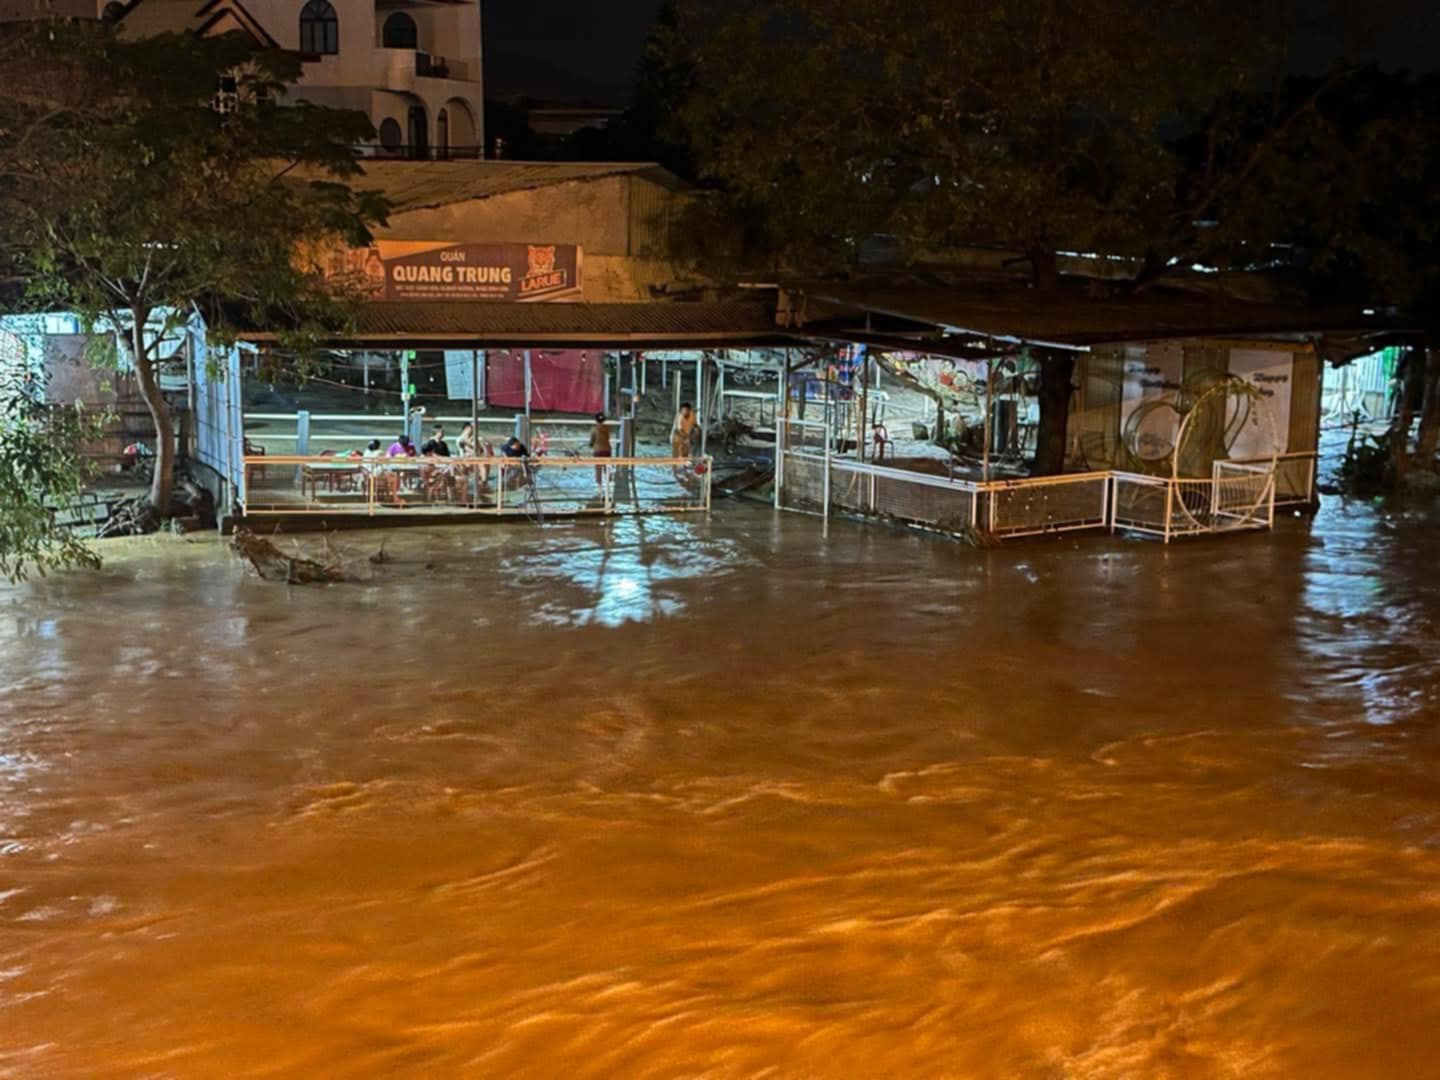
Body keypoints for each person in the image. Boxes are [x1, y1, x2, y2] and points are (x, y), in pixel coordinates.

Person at [587, 412, 612, 485]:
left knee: (598, 468)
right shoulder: (607, 428)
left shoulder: (594, 429)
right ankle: (609, 483)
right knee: (607, 467)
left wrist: (590, 445)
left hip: (598, 451)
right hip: (607, 450)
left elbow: (592, 440)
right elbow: (608, 437)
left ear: (595, 420)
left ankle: (599, 484)